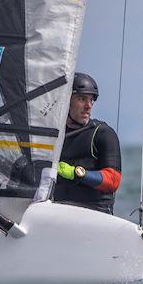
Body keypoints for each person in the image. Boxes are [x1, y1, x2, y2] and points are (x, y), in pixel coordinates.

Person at [53, 73, 121, 214]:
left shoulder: (103, 134)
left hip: (94, 214)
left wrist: (77, 173)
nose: (88, 106)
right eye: (82, 99)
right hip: (56, 211)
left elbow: (113, 180)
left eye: (91, 100)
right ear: (67, 100)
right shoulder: (52, 135)